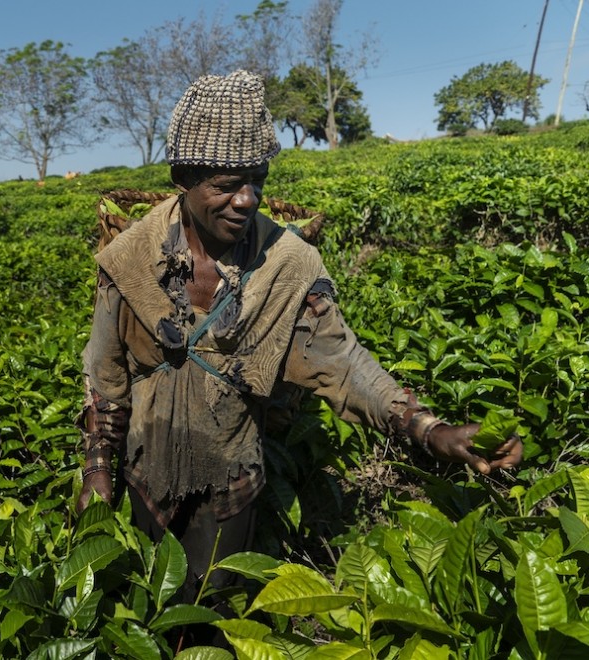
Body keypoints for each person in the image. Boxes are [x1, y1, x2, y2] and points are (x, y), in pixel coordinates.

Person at [76, 70, 523, 622]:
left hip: (231, 476)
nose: (246, 199)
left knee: (213, 609)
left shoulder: (288, 266)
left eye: (257, 181)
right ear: (183, 179)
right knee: (152, 605)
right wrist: (98, 473)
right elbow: (106, 381)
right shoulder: (129, 259)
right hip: (146, 468)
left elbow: (343, 362)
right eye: (225, 183)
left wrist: (428, 430)